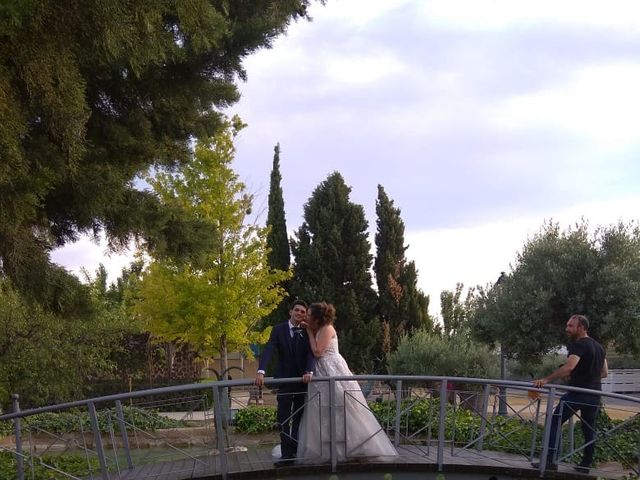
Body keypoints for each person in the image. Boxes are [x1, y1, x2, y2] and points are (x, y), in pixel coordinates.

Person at [296, 301, 398, 463]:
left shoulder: (327, 329)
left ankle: (354, 448)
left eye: (309, 314)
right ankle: (328, 451)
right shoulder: (318, 329)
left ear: (317, 317)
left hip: (332, 370)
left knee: (344, 407)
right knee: (322, 411)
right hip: (322, 372)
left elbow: (317, 351)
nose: (306, 317)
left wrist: (308, 331)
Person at [532, 314, 608, 473]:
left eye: (571, 326)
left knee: (554, 421)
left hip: (576, 394)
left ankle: (549, 462)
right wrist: (586, 374)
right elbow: (604, 373)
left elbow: (569, 367)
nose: (567, 329)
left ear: (581, 328)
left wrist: (546, 379)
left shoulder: (579, 345)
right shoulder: (599, 347)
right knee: (589, 430)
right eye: (567, 325)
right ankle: (585, 465)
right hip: (594, 395)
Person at [255, 299, 315, 466]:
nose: (299, 314)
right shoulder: (278, 330)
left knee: (297, 419)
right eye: (297, 310)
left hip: (302, 382)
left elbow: (311, 353)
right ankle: (286, 454)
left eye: (303, 312)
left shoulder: (306, 331)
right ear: (290, 312)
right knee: (282, 418)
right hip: (285, 382)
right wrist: (261, 370)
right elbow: (269, 349)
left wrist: (309, 371)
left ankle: (293, 453)